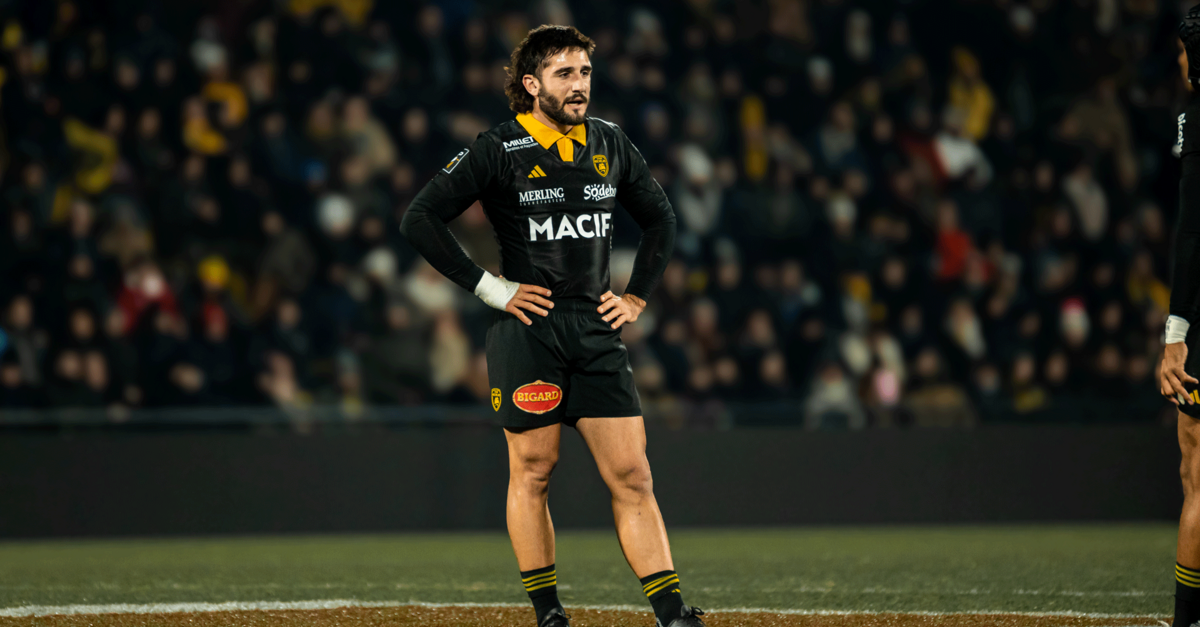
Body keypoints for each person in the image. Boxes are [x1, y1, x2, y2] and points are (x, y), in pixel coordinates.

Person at [399, 25, 703, 627]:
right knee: (534, 470)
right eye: (565, 73)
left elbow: (662, 219)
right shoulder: (498, 147)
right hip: (529, 329)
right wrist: (492, 288)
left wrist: (637, 296)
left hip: (595, 328)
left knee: (633, 474)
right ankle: (549, 613)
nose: (580, 84)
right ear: (532, 84)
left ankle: (672, 613)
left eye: (585, 71)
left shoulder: (610, 141)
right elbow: (420, 217)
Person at [1159, 10, 1200, 626]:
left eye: (1184, 52)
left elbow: (1193, 230)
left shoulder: (1195, 116)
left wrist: (1175, 334)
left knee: (1199, 479)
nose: (1179, 62)